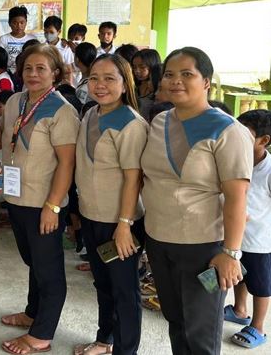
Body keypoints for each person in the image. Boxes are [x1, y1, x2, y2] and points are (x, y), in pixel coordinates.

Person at [141, 46, 253, 355]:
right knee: (175, 319)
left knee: (201, 328)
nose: (176, 81)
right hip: (159, 240)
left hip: (204, 249)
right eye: (170, 74)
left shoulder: (228, 130)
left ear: (206, 81)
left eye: (186, 74)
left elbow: (237, 198)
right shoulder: (160, 122)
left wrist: (230, 253)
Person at [0, 44, 79, 354]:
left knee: (48, 269)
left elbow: (67, 163)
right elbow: (0, 141)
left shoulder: (62, 111)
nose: (33, 74)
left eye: (41, 68)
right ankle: (32, 312)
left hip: (44, 203)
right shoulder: (16, 101)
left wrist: (53, 206)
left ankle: (42, 333)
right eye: (28, 68)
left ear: (55, 73)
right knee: (33, 262)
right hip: (16, 199)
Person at [74, 55, 149, 355]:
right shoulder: (90, 114)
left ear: (125, 83)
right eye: (94, 78)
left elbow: (134, 179)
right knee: (103, 285)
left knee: (125, 292)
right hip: (91, 216)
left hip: (120, 223)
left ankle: (125, 350)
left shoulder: (132, 124)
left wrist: (124, 225)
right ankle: (105, 340)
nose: (100, 85)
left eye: (109, 78)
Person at [225, 109, 271, 349]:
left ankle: (258, 326)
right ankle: (239, 310)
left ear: (264, 140)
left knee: (261, 285)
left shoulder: (269, 169)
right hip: (235, 236)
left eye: (245, 134)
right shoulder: (234, 161)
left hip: (259, 241)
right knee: (238, 276)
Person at [0, 6, 37, 74]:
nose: (19, 26)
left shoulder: (32, 39)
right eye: (15, 23)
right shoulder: (4, 39)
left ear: (26, 23)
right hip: (8, 74)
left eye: (22, 22)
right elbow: (0, 59)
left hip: (27, 73)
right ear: (9, 23)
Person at [130, 49, 161, 121]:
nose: (137, 71)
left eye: (142, 67)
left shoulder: (159, 91)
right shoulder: (133, 87)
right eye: (134, 67)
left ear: (152, 66)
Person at [42, 16, 75, 80]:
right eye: (46, 32)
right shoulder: (42, 47)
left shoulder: (66, 48)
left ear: (59, 32)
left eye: (51, 32)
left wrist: (69, 84)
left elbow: (69, 71)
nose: (48, 34)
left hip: (61, 81)